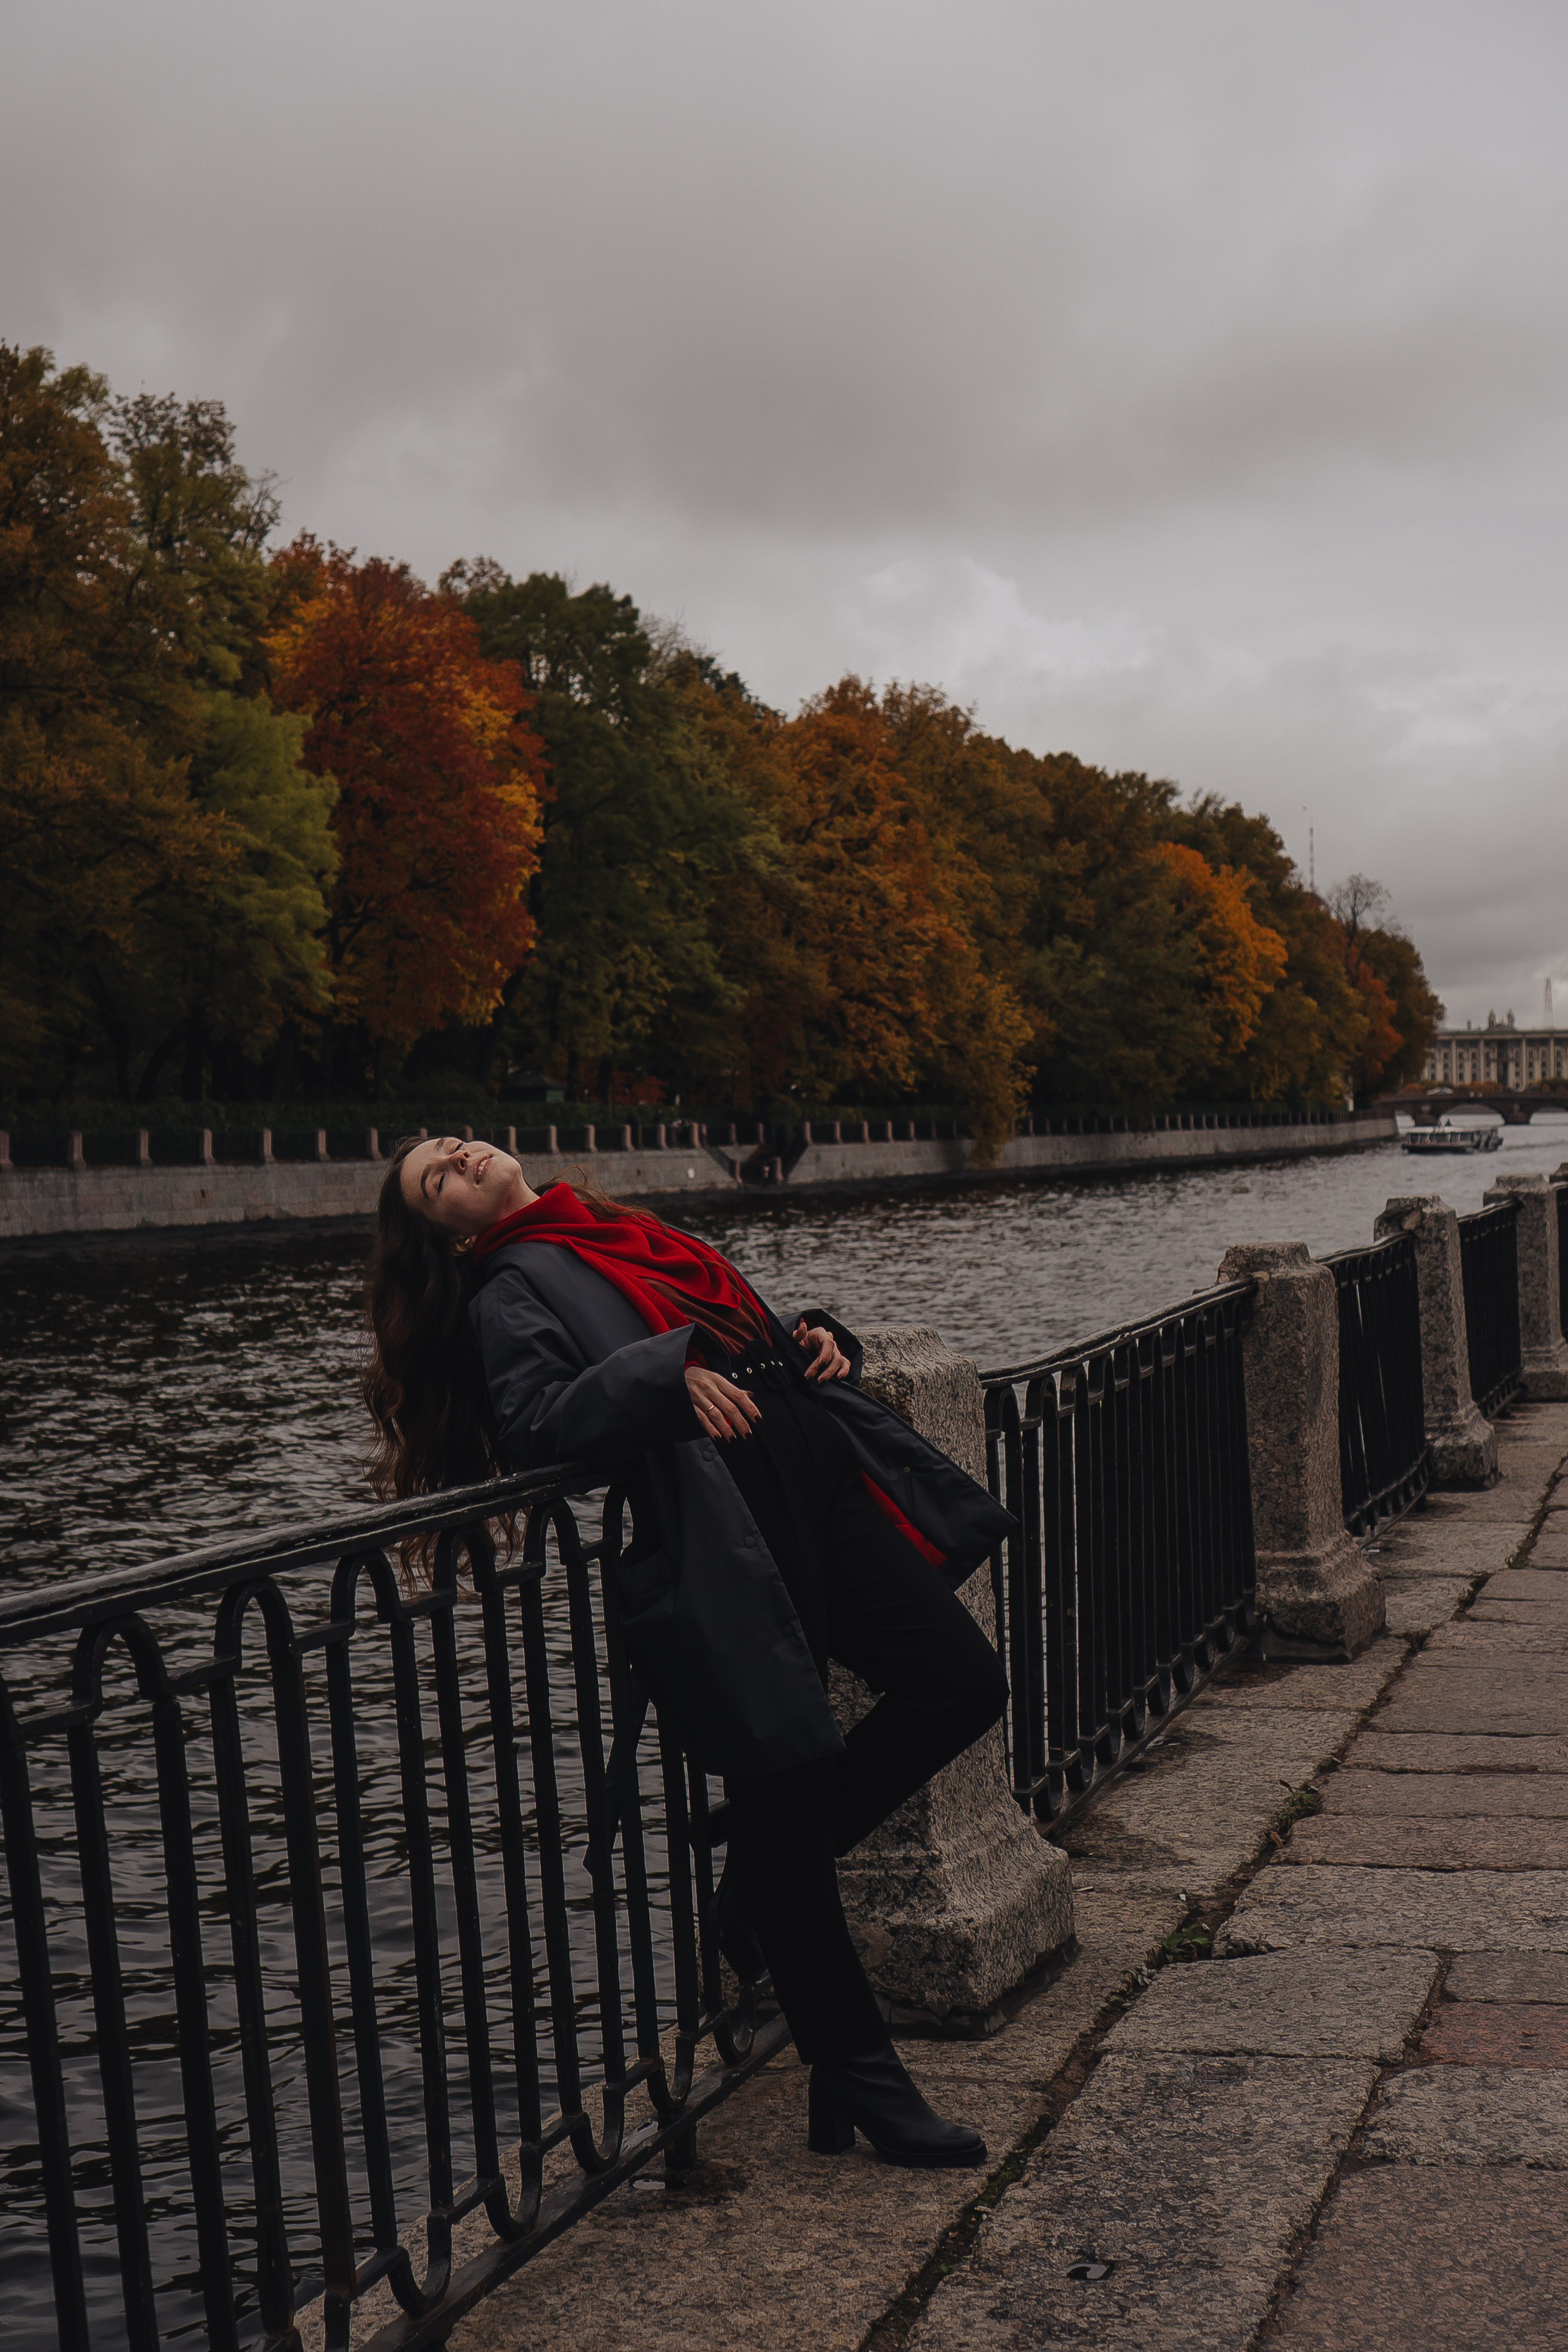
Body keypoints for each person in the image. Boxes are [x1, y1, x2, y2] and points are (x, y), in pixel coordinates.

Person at [364, 1131, 1014, 2169]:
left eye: (447, 1148)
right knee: (792, 1793)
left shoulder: (612, 1226)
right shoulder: (505, 1291)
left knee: (962, 1683)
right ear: (447, 1237)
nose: (453, 1159)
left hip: (815, 1476)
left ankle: (757, 1881)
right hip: (728, 1530)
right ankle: (860, 2073)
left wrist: (809, 1333)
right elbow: (536, 1423)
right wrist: (658, 1381)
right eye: (434, 1181)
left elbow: (724, 1326)